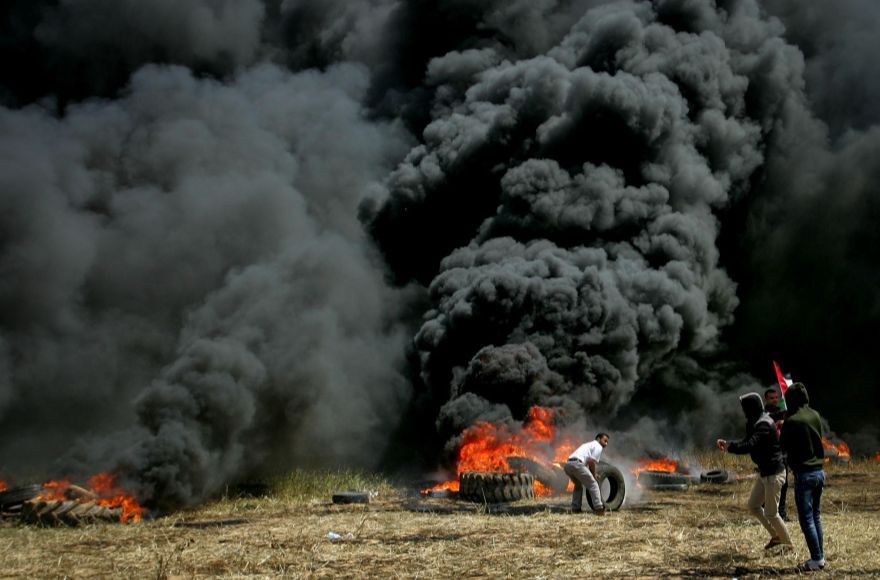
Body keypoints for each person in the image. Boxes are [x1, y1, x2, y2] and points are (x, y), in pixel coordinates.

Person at [716, 393, 792, 550]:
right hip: (765, 473)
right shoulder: (756, 421)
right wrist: (729, 444)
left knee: (772, 513)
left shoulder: (763, 425)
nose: (743, 411)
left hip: (774, 474)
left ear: (750, 408)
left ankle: (788, 545)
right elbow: (745, 441)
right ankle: (777, 537)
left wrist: (730, 447)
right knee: (753, 506)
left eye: (744, 408)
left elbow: (749, 445)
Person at [780, 382, 826, 572]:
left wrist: (785, 421)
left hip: (804, 474)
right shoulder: (815, 414)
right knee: (815, 516)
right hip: (819, 472)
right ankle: (819, 556)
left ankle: (816, 559)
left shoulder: (793, 421)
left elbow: (783, 445)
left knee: (806, 518)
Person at [564, 432, 609, 515]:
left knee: (578, 485)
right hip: (577, 464)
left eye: (607, 442)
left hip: (568, 465)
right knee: (593, 484)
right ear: (598, 439)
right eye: (605, 441)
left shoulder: (588, 444)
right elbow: (591, 462)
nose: (606, 444)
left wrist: (592, 473)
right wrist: (594, 474)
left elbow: (588, 461)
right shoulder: (598, 446)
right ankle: (599, 509)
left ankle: (575, 508)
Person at [764, 387, 790, 521]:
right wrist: (778, 421)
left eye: (776, 398)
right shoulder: (763, 413)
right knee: (768, 483)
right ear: (766, 399)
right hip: (769, 453)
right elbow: (767, 421)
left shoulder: (781, 411)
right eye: (771, 398)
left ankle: (782, 513)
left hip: (782, 451)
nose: (775, 400)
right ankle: (765, 510)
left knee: (784, 483)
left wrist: (785, 421)